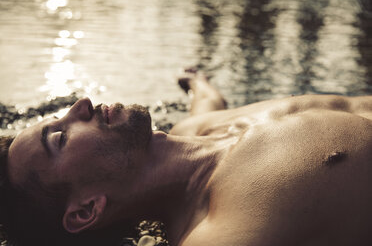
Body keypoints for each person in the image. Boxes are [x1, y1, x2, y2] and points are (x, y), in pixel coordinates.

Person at [1, 68, 372, 246]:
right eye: (59, 137)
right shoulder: (219, 227)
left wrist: (199, 82)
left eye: (60, 116)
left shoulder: (195, 130)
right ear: (86, 210)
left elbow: (209, 104)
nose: (79, 105)